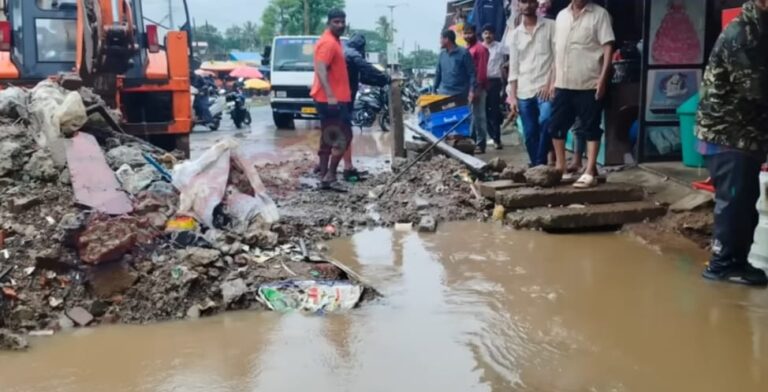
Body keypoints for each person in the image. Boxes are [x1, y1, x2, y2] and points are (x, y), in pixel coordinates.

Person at [695, 0, 768, 286]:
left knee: (745, 203)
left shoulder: (759, 29)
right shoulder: (743, 33)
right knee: (734, 204)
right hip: (727, 133)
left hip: (744, 134)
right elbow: (755, 88)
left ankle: (736, 262)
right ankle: (722, 265)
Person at [550, 0, 614, 188]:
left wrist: (603, 79)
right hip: (563, 82)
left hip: (589, 82)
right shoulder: (561, 16)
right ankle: (561, 166)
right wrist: (552, 80)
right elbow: (557, 51)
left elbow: (608, 48)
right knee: (556, 125)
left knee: (591, 127)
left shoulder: (599, 14)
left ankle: (589, 170)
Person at [507, 0, 556, 167]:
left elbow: (557, 58)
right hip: (524, 90)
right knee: (529, 134)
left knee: (547, 120)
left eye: (530, 1)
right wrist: (512, 97)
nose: (527, 5)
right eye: (523, 2)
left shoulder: (551, 26)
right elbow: (513, 68)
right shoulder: (514, 35)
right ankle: (538, 167)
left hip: (545, 88)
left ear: (536, 4)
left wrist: (550, 84)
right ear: (518, 5)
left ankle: (539, 164)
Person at [311, 9, 352, 189]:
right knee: (344, 136)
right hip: (331, 100)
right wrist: (330, 95)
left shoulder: (334, 41)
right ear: (328, 23)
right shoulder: (328, 43)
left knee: (328, 136)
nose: (340, 25)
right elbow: (321, 69)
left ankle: (324, 177)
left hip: (332, 98)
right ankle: (331, 176)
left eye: (342, 22)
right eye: (336, 22)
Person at [343, 33, 389, 182]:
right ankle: (344, 169)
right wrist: (384, 77)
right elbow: (366, 68)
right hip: (342, 97)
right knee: (343, 133)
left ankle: (336, 167)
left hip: (344, 96)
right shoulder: (352, 54)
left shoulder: (347, 52)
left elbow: (364, 77)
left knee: (339, 132)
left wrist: (380, 81)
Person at [463, 24, 490, 154]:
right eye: (465, 33)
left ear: (475, 33)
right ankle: (472, 142)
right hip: (469, 88)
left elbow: (481, 72)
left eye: (470, 33)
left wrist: (476, 89)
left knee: (479, 116)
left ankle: (481, 144)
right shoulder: (467, 48)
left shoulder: (480, 49)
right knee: (472, 116)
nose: (467, 36)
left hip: (478, 87)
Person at [482, 24, 506, 150]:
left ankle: (497, 139)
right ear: (482, 35)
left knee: (495, 111)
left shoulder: (500, 47)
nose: (488, 36)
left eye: (490, 33)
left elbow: (514, 54)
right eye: (486, 33)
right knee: (484, 110)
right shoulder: (479, 47)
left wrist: (505, 66)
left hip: (495, 81)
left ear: (494, 34)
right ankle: (491, 135)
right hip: (482, 83)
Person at [434, 30, 476, 99]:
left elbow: (472, 73)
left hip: (460, 94)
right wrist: (434, 89)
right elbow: (438, 73)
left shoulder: (464, 53)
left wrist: (472, 91)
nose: (440, 41)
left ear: (447, 39)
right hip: (443, 94)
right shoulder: (442, 54)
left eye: (441, 38)